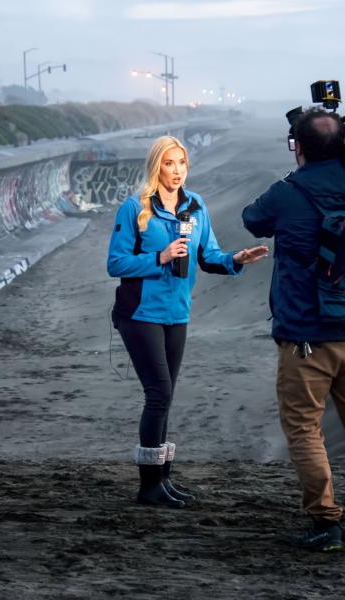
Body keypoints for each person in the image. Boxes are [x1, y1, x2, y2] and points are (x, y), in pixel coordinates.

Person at [242, 108, 345, 551]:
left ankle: (325, 522)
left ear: (299, 146)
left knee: (305, 429)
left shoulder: (290, 192)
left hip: (307, 337)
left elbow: (253, 218)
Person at [107, 135, 268, 508]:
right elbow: (115, 263)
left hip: (176, 313)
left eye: (181, 163)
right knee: (158, 394)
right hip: (139, 313)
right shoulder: (135, 208)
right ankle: (148, 486)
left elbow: (208, 255)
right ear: (155, 166)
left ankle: (163, 480)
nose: (176, 171)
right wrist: (159, 257)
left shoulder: (196, 207)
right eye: (168, 163)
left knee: (166, 398)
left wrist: (237, 258)